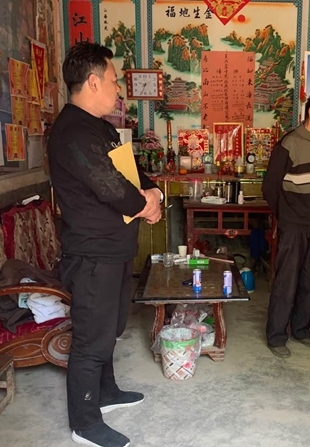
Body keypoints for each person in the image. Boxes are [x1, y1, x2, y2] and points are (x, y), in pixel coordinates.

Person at [47, 42, 163, 447]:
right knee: (91, 338)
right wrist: (145, 206)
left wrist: (153, 192)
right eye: (114, 80)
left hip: (115, 248)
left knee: (110, 329)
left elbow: (131, 172)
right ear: (93, 82)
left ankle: (107, 392)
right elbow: (111, 187)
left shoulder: (101, 128)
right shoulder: (72, 132)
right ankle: (84, 422)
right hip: (92, 253)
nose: (119, 88)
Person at [262, 91, 310, 358]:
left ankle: (301, 330)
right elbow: (269, 187)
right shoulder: (289, 143)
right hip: (293, 225)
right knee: (286, 281)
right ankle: (276, 336)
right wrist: (284, 216)